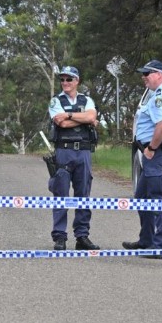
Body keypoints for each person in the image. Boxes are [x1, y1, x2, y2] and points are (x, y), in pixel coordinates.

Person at [123, 59, 162, 259]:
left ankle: (161, 246)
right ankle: (147, 240)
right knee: (142, 198)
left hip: (159, 153)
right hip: (159, 153)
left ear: (159, 74)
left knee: (159, 200)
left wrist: (151, 148)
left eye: (147, 73)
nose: (143, 77)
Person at [48, 66, 100, 251]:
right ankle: (60, 237)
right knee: (61, 195)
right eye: (62, 79)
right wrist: (83, 118)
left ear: (77, 81)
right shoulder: (56, 101)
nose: (65, 83)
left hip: (84, 152)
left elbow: (91, 116)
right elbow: (59, 122)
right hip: (64, 151)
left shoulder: (87, 100)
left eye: (69, 79)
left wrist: (69, 115)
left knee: (83, 195)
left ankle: (82, 236)